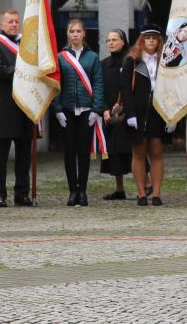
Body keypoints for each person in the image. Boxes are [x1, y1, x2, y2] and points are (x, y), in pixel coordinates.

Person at [50, 19, 105, 206]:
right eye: (72, 31)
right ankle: (72, 190)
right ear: (67, 34)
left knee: (83, 152)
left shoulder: (93, 57)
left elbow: (98, 83)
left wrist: (96, 109)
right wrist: (57, 109)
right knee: (69, 152)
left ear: (84, 34)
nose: (75, 34)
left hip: (86, 111)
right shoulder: (60, 57)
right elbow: (55, 85)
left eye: (78, 31)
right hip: (67, 110)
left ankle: (83, 191)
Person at [0, 8, 33, 206]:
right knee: (2, 154)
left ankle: (22, 193)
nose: (14, 24)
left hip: (25, 106)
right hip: (5, 105)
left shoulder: (27, 45)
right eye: (10, 22)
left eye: (16, 21)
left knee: (24, 154)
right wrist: (24, 69)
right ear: (1, 25)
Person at [122, 23, 172, 205]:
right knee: (139, 153)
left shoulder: (167, 61)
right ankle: (142, 193)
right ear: (142, 40)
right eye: (147, 38)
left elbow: (173, 88)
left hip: (158, 113)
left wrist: (172, 115)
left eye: (154, 38)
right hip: (137, 113)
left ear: (159, 40)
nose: (151, 41)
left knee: (157, 151)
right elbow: (126, 89)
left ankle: (157, 194)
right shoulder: (131, 61)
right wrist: (130, 114)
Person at [98, 29, 132, 200]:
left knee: (132, 150)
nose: (110, 43)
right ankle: (119, 189)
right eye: (108, 40)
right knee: (115, 152)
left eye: (114, 39)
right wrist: (104, 109)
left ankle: (146, 183)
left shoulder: (131, 61)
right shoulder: (103, 64)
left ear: (123, 41)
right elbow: (99, 89)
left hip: (129, 112)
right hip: (111, 114)